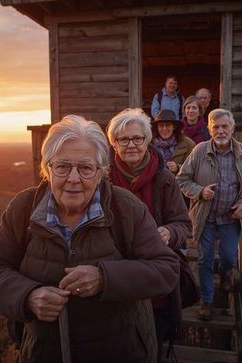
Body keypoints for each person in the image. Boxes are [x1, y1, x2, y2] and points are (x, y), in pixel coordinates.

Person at [0, 115, 179, 362]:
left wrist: (104, 278)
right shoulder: (23, 208)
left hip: (121, 350)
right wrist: (28, 296)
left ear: (102, 172)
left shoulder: (126, 208)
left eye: (85, 168)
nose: (73, 179)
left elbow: (166, 270)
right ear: (47, 169)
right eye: (62, 166)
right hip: (43, 353)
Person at [106, 108, 192, 360]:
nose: (131, 144)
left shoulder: (165, 179)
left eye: (138, 138)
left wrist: (168, 231)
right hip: (115, 274)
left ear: (147, 140)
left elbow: (183, 224)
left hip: (153, 278)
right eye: (123, 139)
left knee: (151, 344)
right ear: (114, 143)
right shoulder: (103, 178)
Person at [176, 108, 242, 321]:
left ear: (232, 128)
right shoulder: (199, 151)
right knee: (204, 259)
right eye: (216, 127)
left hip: (230, 218)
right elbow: (182, 179)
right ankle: (207, 300)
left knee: (229, 257)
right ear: (209, 129)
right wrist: (200, 191)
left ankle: (225, 273)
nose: (221, 131)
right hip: (205, 216)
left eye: (225, 126)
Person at [151, 109, 196, 175]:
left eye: (168, 125)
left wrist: (178, 168)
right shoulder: (149, 144)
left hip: (179, 184)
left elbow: (195, 168)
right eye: (161, 125)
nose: (164, 129)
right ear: (157, 127)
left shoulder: (188, 144)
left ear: (174, 126)